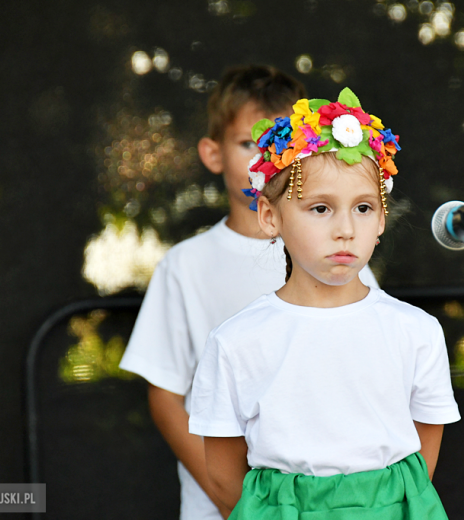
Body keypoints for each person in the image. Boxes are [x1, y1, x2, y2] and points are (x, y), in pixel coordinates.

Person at [119, 67, 380, 520]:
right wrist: (235, 502)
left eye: (279, 142)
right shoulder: (185, 264)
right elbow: (165, 397)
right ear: (212, 152)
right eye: (247, 143)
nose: (264, 157)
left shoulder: (340, 260)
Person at [188, 87, 461, 519]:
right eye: (320, 208)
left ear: (382, 219)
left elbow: (421, 461)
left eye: (364, 208)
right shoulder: (236, 342)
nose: (346, 230)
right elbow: (223, 475)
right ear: (269, 216)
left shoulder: (417, 332)